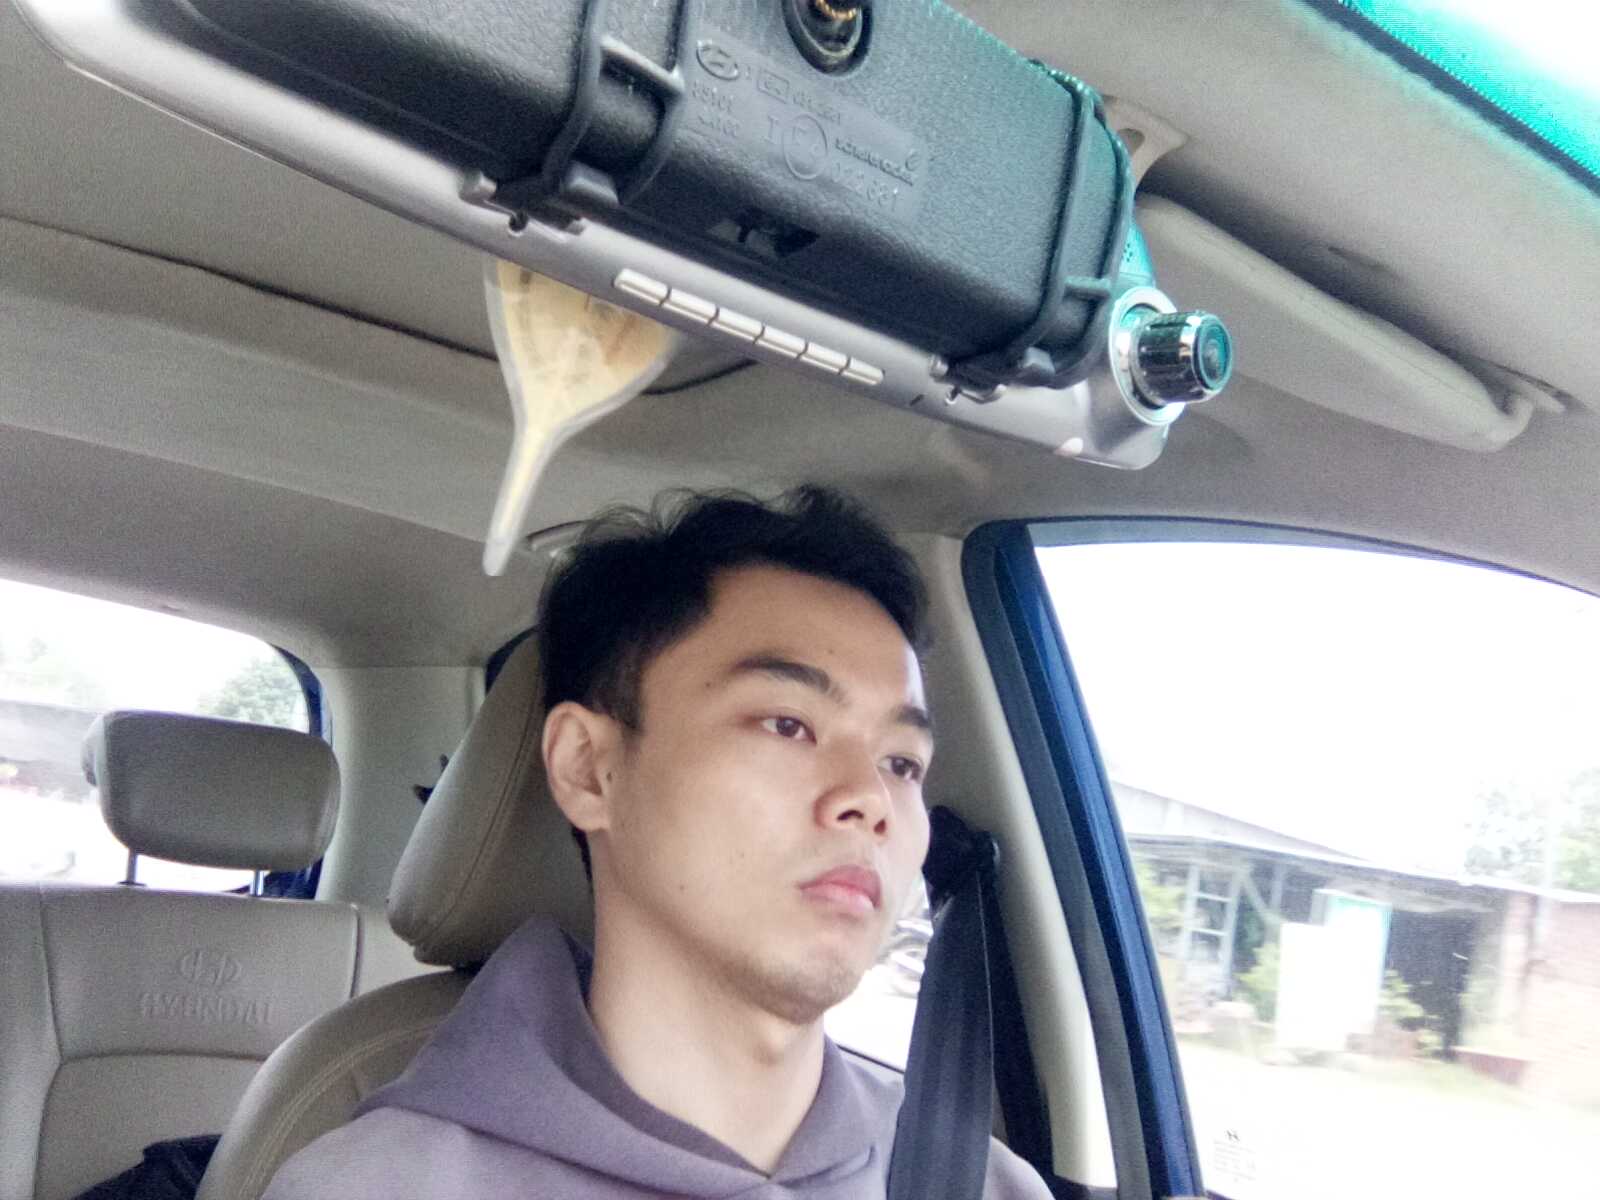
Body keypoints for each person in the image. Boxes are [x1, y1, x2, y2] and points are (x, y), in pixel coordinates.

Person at [265, 485, 1051, 1198]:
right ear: (589, 768)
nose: (871, 800)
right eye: (787, 724)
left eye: (902, 763)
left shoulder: (985, 1184)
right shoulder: (375, 1186)